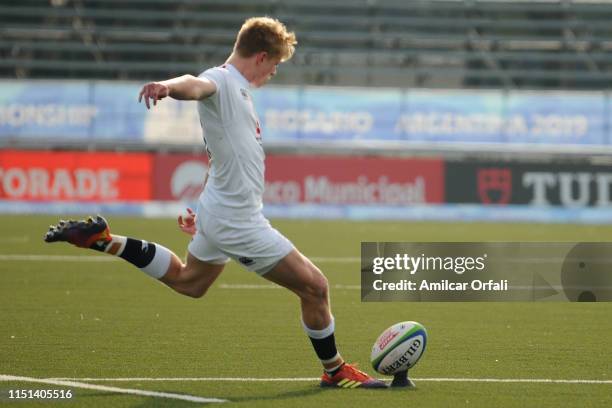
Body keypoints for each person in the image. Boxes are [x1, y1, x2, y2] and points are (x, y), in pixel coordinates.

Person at [44, 16, 386, 389]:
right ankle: (335, 370)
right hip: (237, 220)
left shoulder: (237, 91)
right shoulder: (222, 80)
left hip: (219, 210)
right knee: (316, 287)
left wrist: (206, 209)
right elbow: (194, 84)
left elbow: (221, 154)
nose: (273, 72)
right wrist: (166, 87)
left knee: (189, 282)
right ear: (260, 56)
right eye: (274, 64)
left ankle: (105, 240)